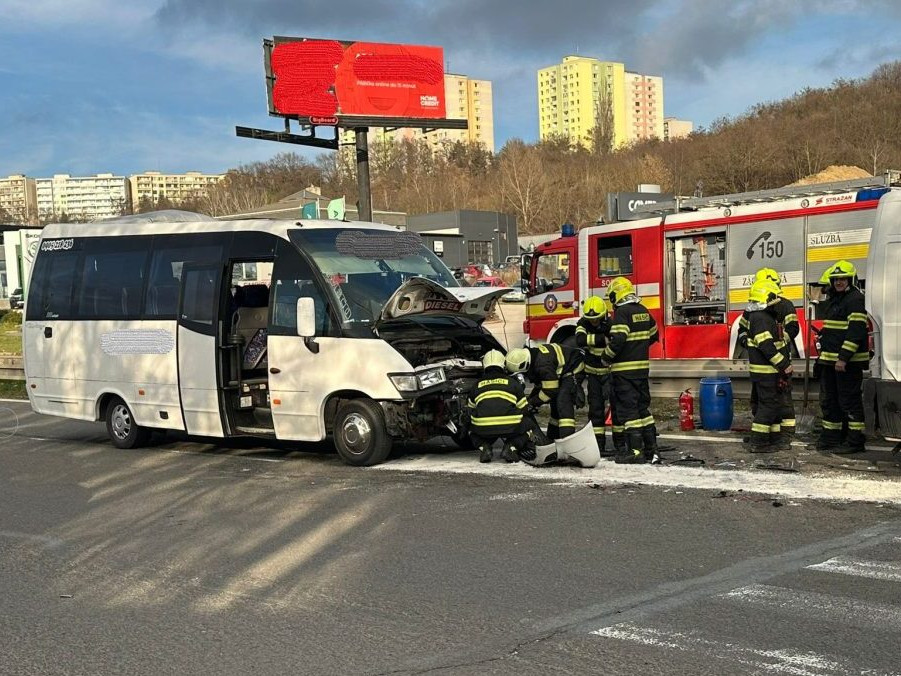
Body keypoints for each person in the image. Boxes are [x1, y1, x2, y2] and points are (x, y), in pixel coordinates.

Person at [601, 277, 659, 464]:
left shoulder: (622, 313)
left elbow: (618, 339)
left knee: (629, 412)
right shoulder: (643, 310)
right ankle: (651, 449)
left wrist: (606, 357)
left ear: (616, 294)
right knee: (643, 409)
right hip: (642, 370)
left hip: (623, 372)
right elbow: (653, 334)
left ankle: (635, 452)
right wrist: (638, 348)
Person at [815, 260, 869, 453]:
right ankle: (832, 438)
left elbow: (856, 333)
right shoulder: (835, 300)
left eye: (842, 278)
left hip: (847, 363)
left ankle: (855, 441)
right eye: (836, 279)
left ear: (850, 279)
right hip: (831, 361)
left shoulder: (855, 299)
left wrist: (843, 358)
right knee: (830, 401)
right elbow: (835, 331)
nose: (838, 282)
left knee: (849, 401)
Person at [737, 268, 799, 436]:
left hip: (778, 362)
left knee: (782, 401)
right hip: (767, 363)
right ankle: (766, 435)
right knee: (763, 402)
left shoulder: (785, 305)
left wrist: (780, 339)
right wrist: (746, 340)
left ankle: (784, 434)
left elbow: (793, 328)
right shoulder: (754, 309)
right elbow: (743, 329)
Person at [744, 280, 794, 452]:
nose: (777, 302)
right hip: (767, 372)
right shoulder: (762, 319)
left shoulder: (761, 317)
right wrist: (784, 364)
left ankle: (771, 439)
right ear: (767, 298)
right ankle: (758, 443)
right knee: (768, 406)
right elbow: (766, 346)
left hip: (766, 372)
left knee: (771, 405)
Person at [467, 350, 538, 463]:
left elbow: (470, 409)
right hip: (511, 426)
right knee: (530, 426)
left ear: (484, 365)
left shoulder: (477, 384)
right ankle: (511, 447)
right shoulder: (513, 383)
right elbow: (524, 409)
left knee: (470, 429)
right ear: (503, 365)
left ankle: (484, 446)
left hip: (483, 427)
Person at [505, 342, 584, 440]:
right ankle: (552, 438)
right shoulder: (534, 357)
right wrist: (530, 400)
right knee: (555, 406)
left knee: (563, 402)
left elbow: (550, 390)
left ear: (524, 365)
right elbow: (542, 385)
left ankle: (567, 441)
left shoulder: (542, 365)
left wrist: (532, 402)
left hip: (573, 370)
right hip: (562, 372)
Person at [576, 295, 613, 455]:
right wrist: (600, 339)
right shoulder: (583, 322)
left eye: (597, 319)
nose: (594, 322)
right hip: (593, 375)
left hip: (610, 374)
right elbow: (579, 340)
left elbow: (613, 340)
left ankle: (620, 444)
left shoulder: (611, 323)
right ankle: (599, 446)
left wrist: (592, 340)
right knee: (595, 411)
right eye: (591, 319)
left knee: (617, 411)